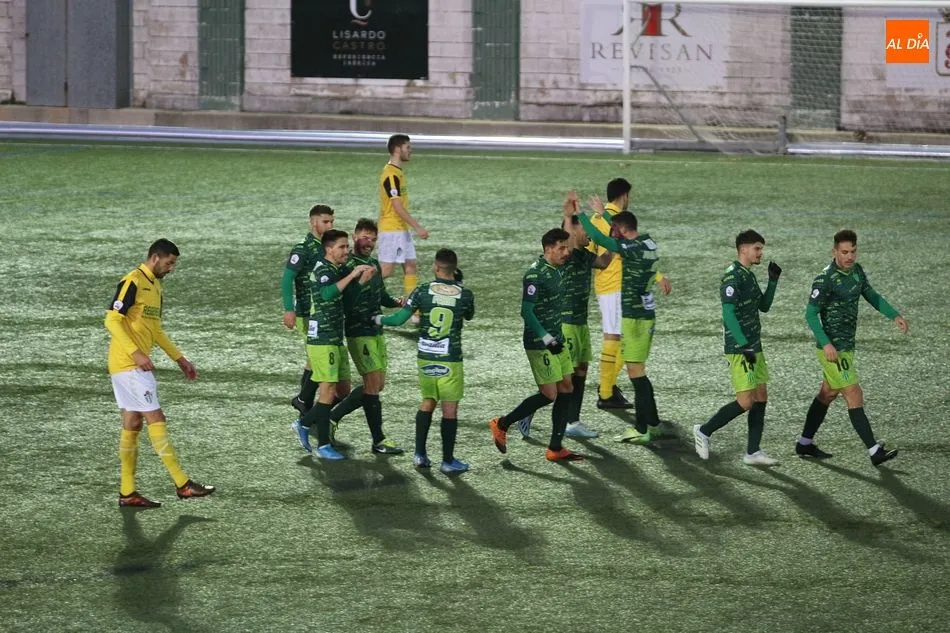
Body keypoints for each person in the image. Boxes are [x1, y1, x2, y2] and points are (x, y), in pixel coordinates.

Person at [105, 239, 214, 508]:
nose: (171, 268)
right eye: (169, 263)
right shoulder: (132, 281)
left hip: (130, 365)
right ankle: (182, 484)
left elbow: (156, 330)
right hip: (130, 365)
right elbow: (111, 319)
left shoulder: (155, 287)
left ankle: (127, 492)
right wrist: (135, 352)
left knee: (132, 424)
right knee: (156, 417)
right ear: (155, 257)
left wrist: (179, 358)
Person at [796, 229, 908, 466]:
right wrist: (826, 343)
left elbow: (871, 295)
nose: (849, 256)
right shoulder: (825, 279)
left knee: (828, 393)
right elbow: (810, 314)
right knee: (854, 393)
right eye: (844, 252)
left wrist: (893, 315)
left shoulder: (856, 272)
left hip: (846, 346)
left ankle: (804, 443)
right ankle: (874, 450)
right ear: (834, 251)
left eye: (853, 251)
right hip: (832, 349)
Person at [517, 191, 612, 439]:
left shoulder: (583, 256)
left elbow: (605, 262)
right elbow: (569, 238)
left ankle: (569, 420)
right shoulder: (566, 256)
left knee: (579, 372)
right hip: (566, 323)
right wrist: (569, 214)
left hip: (580, 323)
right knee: (562, 382)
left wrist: (609, 235)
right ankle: (550, 417)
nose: (588, 233)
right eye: (585, 229)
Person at [489, 228, 583, 462]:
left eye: (567, 247)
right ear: (548, 249)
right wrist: (546, 338)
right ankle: (502, 423)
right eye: (562, 248)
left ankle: (555, 447)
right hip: (539, 342)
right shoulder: (535, 275)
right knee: (549, 394)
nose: (566, 252)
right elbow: (526, 311)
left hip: (557, 339)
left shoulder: (560, 270)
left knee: (567, 388)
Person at [377, 248, 475, 474]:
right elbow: (468, 315)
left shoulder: (422, 290)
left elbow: (399, 318)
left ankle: (420, 455)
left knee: (427, 401)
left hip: (425, 356)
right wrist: (459, 286)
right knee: (449, 410)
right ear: (454, 267)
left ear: (435, 266)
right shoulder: (465, 294)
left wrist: (377, 318)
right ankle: (448, 461)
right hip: (450, 359)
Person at [576, 208, 669, 444]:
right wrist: (607, 216)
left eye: (615, 229)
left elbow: (599, 239)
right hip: (646, 315)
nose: (612, 232)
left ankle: (640, 427)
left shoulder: (630, 248)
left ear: (624, 230)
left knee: (636, 374)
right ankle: (654, 423)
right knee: (639, 372)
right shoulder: (646, 241)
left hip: (634, 318)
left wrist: (583, 215)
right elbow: (620, 233)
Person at [693, 230, 781, 465]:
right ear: (744, 249)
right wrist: (743, 345)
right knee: (745, 401)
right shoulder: (732, 277)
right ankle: (703, 430)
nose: (760, 253)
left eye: (761, 249)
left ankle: (753, 452)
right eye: (757, 248)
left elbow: (764, 306)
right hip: (740, 348)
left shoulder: (749, 275)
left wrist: (772, 281)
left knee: (761, 395)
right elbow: (728, 314)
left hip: (754, 345)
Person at [291, 230, 376, 460]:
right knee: (327, 391)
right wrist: (352, 277)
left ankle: (304, 423)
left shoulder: (336, 270)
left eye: (347, 247)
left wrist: (360, 284)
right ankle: (324, 445)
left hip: (335, 338)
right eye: (342, 247)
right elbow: (328, 294)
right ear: (329, 249)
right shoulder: (322, 269)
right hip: (322, 340)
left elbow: (345, 302)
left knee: (343, 390)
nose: (346, 251)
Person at [587, 180, 671, 410]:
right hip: (617, 285)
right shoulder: (615, 219)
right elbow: (634, 251)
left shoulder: (599, 217)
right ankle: (605, 392)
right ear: (624, 195)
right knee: (615, 338)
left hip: (607, 285)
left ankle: (609, 388)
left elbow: (588, 251)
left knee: (622, 339)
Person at [328, 219, 404, 454]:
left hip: (376, 331)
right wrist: (360, 279)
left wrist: (398, 303)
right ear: (355, 236)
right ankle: (378, 440)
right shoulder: (348, 265)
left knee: (377, 385)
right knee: (371, 384)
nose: (369, 242)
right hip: (358, 331)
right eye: (364, 237)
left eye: (373, 238)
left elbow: (381, 295)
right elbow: (347, 299)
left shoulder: (373, 264)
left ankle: (330, 416)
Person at [282, 204, 335, 416]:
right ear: (313, 222)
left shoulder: (329, 246)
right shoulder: (303, 248)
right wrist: (289, 309)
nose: (330, 225)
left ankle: (304, 400)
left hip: (324, 311)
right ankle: (304, 400)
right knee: (315, 357)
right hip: (307, 311)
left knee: (312, 359)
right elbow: (287, 279)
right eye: (325, 221)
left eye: (332, 221)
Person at [378, 134, 429, 304]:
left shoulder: (397, 173)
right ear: (398, 149)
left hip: (399, 228)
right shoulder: (391, 175)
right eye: (408, 147)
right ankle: (353, 291)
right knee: (385, 271)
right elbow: (397, 207)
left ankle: (412, 309)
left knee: (410, 265)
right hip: (393, 229)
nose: (411, 151)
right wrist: (417, 227)